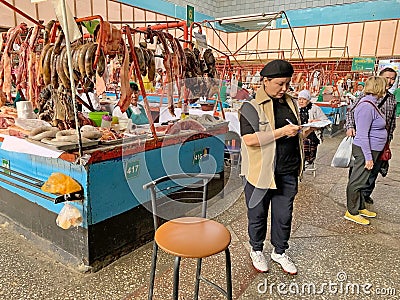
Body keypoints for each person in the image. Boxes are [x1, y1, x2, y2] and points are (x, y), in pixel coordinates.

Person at [239, 59, 315, 275]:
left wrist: (304, 130)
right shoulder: (250, 107)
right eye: (280, 84)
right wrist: (282, 132)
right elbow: (250, 140)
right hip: (260, 173)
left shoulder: (290, 102)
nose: (284, 89)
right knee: (258, 215)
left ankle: (279, 252)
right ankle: (256, 249)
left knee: (284, 216)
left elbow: (293, 132)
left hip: (287, 171)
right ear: (265, 80)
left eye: (287, 84)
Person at [346, 67, 397, 204]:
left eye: (393, 79)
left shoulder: (392, 99)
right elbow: (351, 111)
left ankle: (364, 197)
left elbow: (391, 121)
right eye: (387, 78)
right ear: (379, 78)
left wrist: (388, 139)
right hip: (365, 141)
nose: (390, 81)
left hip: (379, 143)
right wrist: (350, 126)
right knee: (360, 172)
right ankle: (354, 203)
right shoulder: (365, 98)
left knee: (373, 171)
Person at [344, 76, 388, 225]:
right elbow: (362, 134)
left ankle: (360, 206)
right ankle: (352, 211)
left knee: (364, 180)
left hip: (372, 148)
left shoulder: (372, 104)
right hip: (365, 149)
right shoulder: (366, 106)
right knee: (357, 181)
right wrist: (368, 157)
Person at [297, 89, 329, 165]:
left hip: (312, 133)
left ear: (308, 100)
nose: (301, 101)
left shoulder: (315, 108)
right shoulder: (296, 108)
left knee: (307, 141)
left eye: (304, 99)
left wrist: (316, 121)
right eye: (299, 99)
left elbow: (325, 121)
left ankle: (307, 159)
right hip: (299, 131)